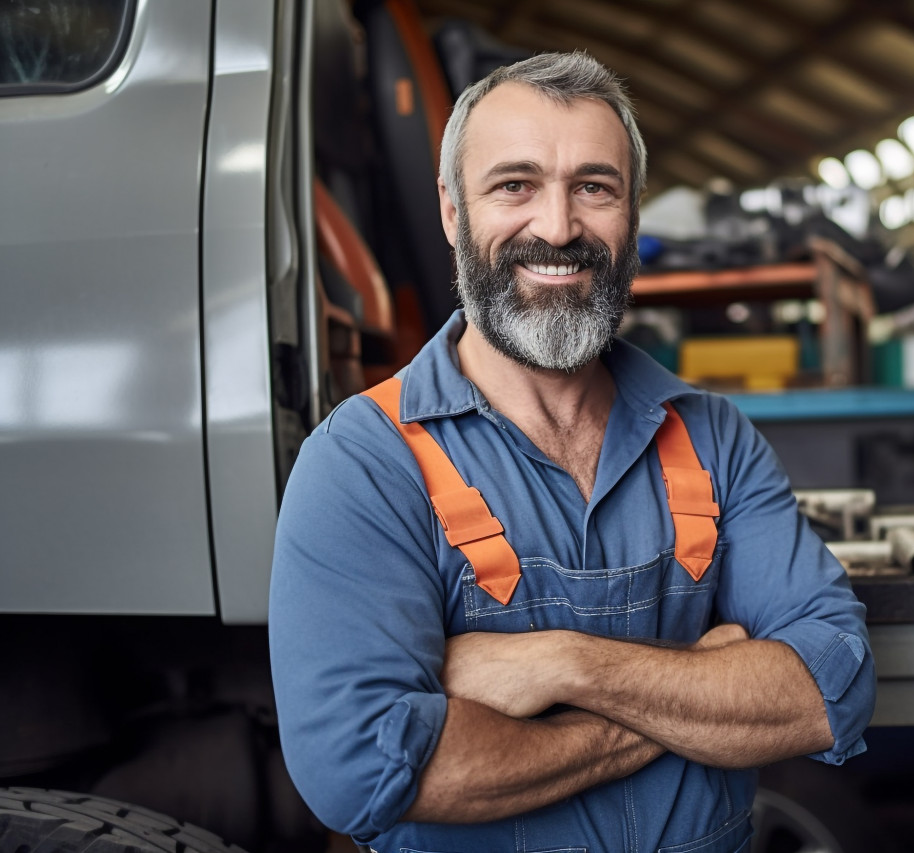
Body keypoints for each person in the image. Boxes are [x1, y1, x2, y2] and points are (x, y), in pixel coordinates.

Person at [269, 51, 875, 853]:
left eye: (594, 187)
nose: (557, 229)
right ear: (453, 211)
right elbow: (366, 770)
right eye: (514, 185)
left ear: (632, 213)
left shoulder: (712, 437)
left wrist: (563, 665)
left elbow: (829, 686)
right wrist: (696, 684)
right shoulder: (364, 463)